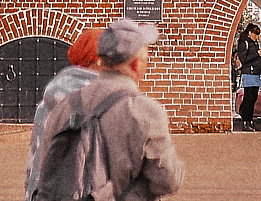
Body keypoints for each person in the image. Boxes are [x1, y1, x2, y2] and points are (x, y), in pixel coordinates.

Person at [28, 17, 182, 201]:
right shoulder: (145, 112)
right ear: (136, 64)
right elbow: (167, 181)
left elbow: (43, 168)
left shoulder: (65, 105)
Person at [24, 29, 105, 199]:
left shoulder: (48, 100)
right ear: (98, 60)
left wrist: (31, 194)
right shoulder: (101, 101)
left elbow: (36, 157)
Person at [232, 23, 261, 133]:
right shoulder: (244, 43)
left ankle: (250, 121)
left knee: (253, 98)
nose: (256, 37)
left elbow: (255, 58)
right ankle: (246, 122)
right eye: (255, 35)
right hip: (248, 73)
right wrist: (257, 54)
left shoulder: (254, 43)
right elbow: (244, 59)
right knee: (248, 98)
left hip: (256, 73)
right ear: (250, 33)